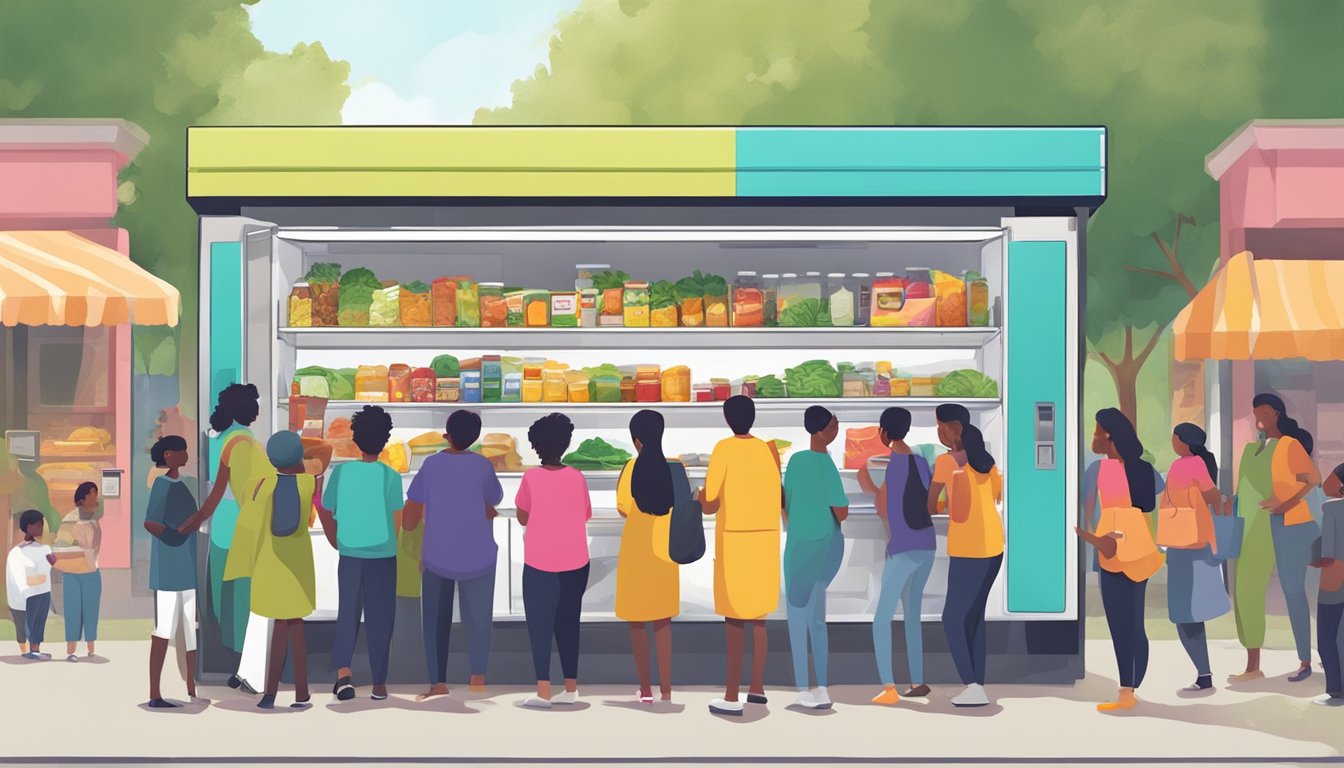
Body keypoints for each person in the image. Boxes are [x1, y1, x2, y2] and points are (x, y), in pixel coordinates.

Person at [402, 409, 504, 701]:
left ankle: (438, 683)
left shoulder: (431, 465)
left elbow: (411, 515)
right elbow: (494, 499)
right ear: (474, 439)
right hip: (479, 555)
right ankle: (478, 679)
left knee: (435, 621)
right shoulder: (483, 466)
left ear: (447, 435)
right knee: (479, 619)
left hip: (437, 556)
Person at [700, 395, 783, 717]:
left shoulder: (724, 448)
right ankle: (757, 689)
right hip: (764, 540)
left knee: (734, 621)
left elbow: (711, 502)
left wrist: (697, 498)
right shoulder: (767, 449)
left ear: (727, 418)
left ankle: (731, 696)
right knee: (759, 619)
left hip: (735, 540)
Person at [1230, 393, 1321, 683]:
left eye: (1266, 413)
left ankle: (1305, 660)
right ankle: (1253, 665)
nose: (1260, 417)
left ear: (1278, 415)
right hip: (1252, 528)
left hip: (1289, 526)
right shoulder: (1252, 449)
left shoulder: (1289, 445)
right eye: (1257, 412)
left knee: (1294, 593)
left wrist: (1284, 505)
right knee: (1246, 591)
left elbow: (1312, 479)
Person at [1075, 408, 1162, 711]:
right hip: (1140, 550)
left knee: (1119, 624)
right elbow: (1151, 502)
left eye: (1097, 431)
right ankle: (1134, 684)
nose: (1094, 437)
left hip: (1111, 552)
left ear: (1108, 434)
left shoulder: (1098, 471)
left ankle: (1126, 692)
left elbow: (1087, 513)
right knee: (1135, 622)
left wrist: (1089, 535)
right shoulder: (1145, 469)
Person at [316, 405, 403, 702]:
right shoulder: (391, 477)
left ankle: (343, 677)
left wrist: (337, 538)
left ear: (355, 438)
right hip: (384, 555)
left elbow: (328, 507)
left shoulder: (341, 473)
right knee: (381, 619)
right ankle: (379, 683)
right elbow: (397, 524)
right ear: (385, 439)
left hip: (351, 552)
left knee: (347, 615)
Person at [191, 383, 268, 694]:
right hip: (243, 529)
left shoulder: (227, 440)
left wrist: (196, 520)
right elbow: (251, 492)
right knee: (245, 601)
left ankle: (241, 668)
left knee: (229, 601)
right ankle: (249, 670)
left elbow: (218, 490)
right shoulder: (245, 444)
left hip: (226, 529)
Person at [857, 406, 935, 705]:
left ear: (883, 433)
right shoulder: (920, 461)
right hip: (927, 545)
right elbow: (923, 500)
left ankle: (889, 687)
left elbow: (884, 506)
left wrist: (868, 484)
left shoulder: (893, 464)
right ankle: (917, 681)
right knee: (912, 615)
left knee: (882, 618)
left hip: (903, 548)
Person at [238, 431, 321, 710]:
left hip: (268, 566)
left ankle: (280, 693)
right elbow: (325, 453)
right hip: (297, 569)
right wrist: (305, 451)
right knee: (293, 627)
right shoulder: (307, 484)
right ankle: (291, 693)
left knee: (281, 628)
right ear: (297, 457)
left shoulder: (255, 486)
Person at [516, 413, 592, 709]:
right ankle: (571, 688)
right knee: (568, 623)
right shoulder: (577, 476)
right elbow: (585, 513)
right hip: (576, 562)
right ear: (566, 443)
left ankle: (543, 691)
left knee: (540, 625)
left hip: (539, 563)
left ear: (536, 446)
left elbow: (523, 515)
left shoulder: (531, 477)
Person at [930, 403, 1003, 708]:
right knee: (974, 618)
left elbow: (932, 505)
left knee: (952, 619)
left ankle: (971, 685)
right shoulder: (988, 462)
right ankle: (978, 684)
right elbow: (996, 496)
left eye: (941, 426)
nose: (939, 431)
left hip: (968, 550)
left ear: (954, 428)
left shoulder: (946, 463)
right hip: (994, 548)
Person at [615, 410, 684, 704]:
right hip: (664, 547)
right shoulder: (676, 467)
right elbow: (683, 503)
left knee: (637, 622)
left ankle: (645, 689)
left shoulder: (631, 467)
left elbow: (622, 506)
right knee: (662, 622)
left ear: (637, 440)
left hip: (636, 547)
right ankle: (667, 689)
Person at [782, 406, 848, 710]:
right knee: (817, 620)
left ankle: (801, 687)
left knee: (796, 617)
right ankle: (822, 686)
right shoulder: (826, 463)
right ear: (821, 430)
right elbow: (842, 510)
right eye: (834, 425)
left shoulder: (795, 461)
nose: (837, 428)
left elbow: (786, 503)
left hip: (798, 545)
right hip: (825, 545)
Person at [1163, 424, 1230, 692]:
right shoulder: (1192, 464)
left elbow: (1212, 496)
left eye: (1174, 436)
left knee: (1186, 614)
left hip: (1185, 546)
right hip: (1195, 544)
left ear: (1182, 441)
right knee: (1190, 613)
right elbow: (1215, 498)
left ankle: (1204, 674)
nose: (1172, 440)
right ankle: (1204, 673)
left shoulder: (1186, 465)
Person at [143, 436, 202, 707]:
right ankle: (155, 692)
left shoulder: (184, 483)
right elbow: (151, 522)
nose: (186, 454)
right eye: (181, 450)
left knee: (190, 628)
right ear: (168, 454)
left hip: (187, 566)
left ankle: (191, 686)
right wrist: (175, 536)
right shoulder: (161, 483)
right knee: (164, 629)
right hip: (168, 567)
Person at [53, 481, 102, 662]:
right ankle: (71, 650)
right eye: (92, 495)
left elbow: (95, 549)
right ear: (82, 499)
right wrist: (82, 554)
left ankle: (90, 648)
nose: (95, 499)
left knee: (91, 611)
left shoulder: (94, 522)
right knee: (73, 610)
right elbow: (61, 547)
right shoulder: (70, 520)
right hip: (73, 573)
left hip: (92, 572)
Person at [1311, 463, 1344, 707]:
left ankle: (1336, 691)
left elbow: (1328, 552)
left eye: (1331, 477)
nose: (1325, 483)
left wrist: (1313, 560)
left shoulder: (1331, 508)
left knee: (1327, 637)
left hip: (1335, 577)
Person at [7, 510, 54, 660]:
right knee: (32, 621)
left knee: (33, 621)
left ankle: (31, 649)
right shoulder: (36, 550)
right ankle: (31, 649)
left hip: (31, 594)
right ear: (29, 527)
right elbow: (21, 576)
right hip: (32, 594)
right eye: (39, 525)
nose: (41, 529)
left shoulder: (19, 551)